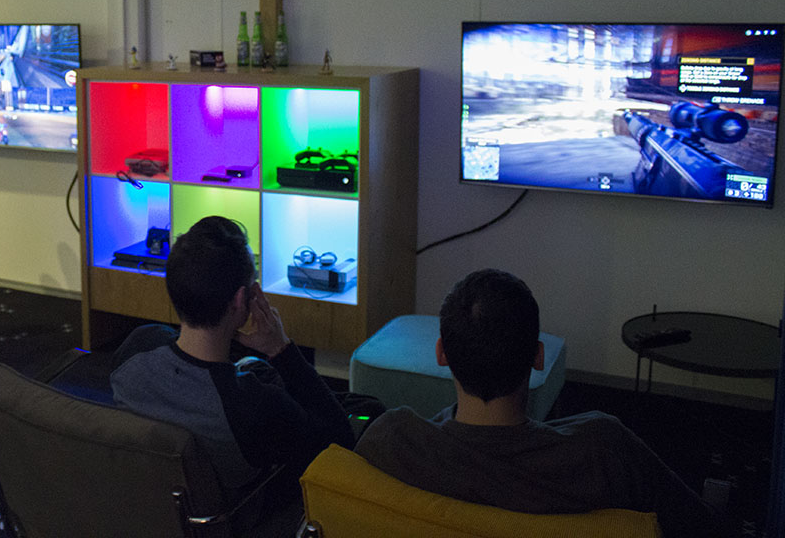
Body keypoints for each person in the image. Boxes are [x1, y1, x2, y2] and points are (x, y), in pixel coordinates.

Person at [354, 268, 727, 538]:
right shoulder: (604, 451)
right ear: (538, 356)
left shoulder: (391, 440)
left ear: (441, 354)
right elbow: (701, 526)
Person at [109, 215, 354, 521]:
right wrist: (281, 350)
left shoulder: (136, 348)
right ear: (241, 299)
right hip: (237, 519)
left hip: (143, 511)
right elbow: (341, 442)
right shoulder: (256, 406)